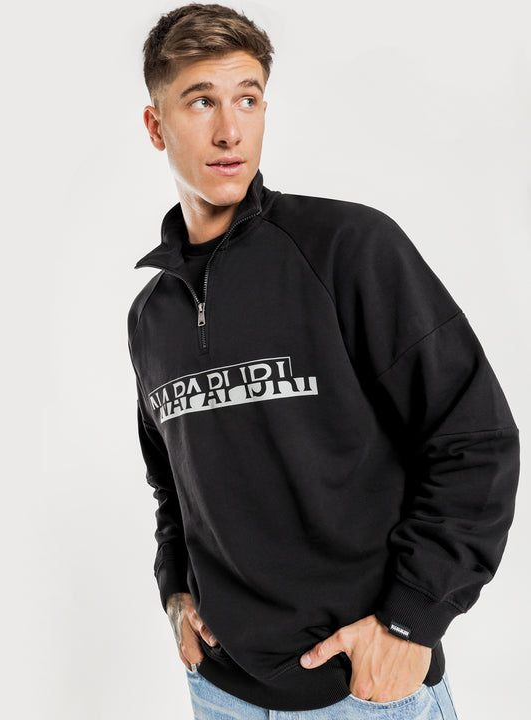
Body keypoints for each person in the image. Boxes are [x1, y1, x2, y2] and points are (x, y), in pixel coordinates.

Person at [127, 4, 520, 718]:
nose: (229, 130)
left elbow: (475, 441)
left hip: (362, 692)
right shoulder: (154, 313)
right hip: (220, 692)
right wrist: (174, 591)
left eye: (248, 99)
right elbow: (172, 485)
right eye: (201, 101)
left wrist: (411, 621)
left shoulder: (348, 249)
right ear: (157, 126)